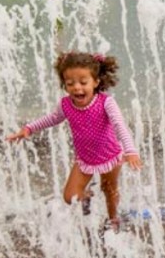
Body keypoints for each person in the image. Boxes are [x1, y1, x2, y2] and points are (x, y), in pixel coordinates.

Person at [7, 51, 142, 227]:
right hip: (84, 158)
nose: (77, 87)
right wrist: (29, 128)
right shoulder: (66, 104)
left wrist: (130, 150)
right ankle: (87, 196)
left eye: (83, 82)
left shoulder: (106, 102)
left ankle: (113, 219)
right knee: (70, 197)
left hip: (110, 156)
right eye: (70, 83)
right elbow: (52, 118)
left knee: (109, 189)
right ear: (65, 85)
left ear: (96, 82)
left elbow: (119, 125)